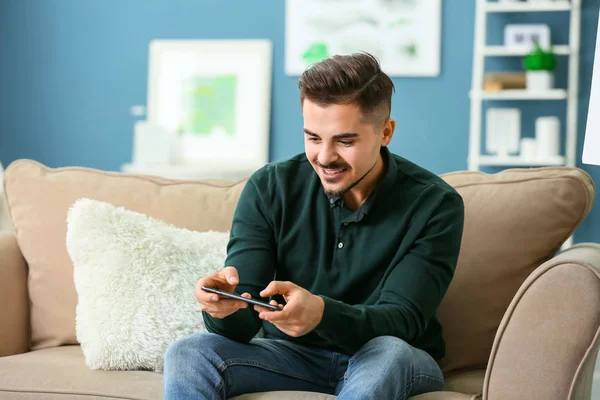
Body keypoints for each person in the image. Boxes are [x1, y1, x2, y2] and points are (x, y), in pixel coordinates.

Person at [163, 52, 465, 400]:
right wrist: (220, 308)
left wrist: (323, 315)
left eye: (345, 141)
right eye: (313, 138)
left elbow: (403, 319)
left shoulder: (435, 204)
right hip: (292, 356)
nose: (324, 157)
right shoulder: (270, 187)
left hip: (387, 359)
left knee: (389, 353)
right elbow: (242, 322)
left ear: (385, 132)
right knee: (190, 352)